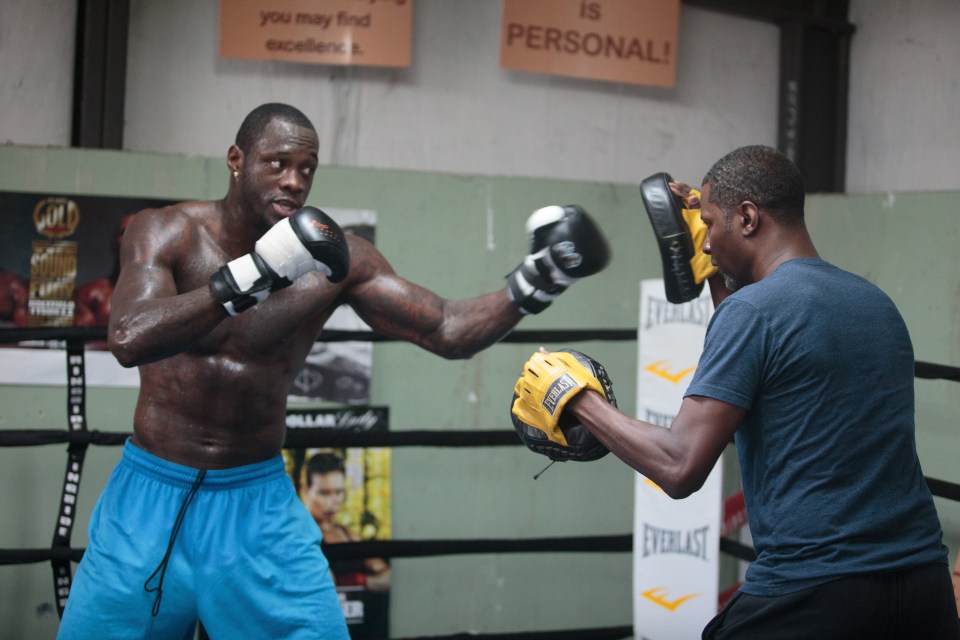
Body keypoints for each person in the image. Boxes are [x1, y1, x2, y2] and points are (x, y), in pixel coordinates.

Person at [56, 102, 609, 639]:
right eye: (277, 163)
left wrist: (534, 284)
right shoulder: (164, 231)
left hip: (257, 505)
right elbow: (128, 337)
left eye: (307, 169)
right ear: (236, 159)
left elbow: (444, 328)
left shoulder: (337, 261)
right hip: (150, 495)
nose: (294, 181)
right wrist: (255, 275)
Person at [513, 145, 959, 639]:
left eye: (710, 224)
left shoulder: (753, 315)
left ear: (747, 218)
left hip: (816, 589)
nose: (704, 244)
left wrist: (575, 398)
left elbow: (680, 466)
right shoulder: (875, 304)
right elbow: (758, 369)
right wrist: (714, 282)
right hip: (922, 588)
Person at [303, 451, 390, 591]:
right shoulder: (298, 534)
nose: (333, 501)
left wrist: (360, 581)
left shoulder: (347, 535)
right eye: (324, 493)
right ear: (306, 491)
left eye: (338, 492)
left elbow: (388, 578)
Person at [73, 213, 133, 328]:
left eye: (137, 232)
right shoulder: (91, 294)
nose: (130, 238)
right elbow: (84, 341)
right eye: (124, 232)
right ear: (113, 243)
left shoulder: (166, 294)